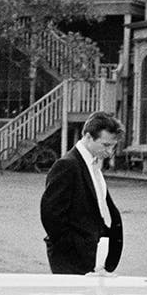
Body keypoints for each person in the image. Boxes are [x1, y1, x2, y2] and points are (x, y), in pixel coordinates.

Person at [40, 111, 125, 274]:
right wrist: (73, 249)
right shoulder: (67, 165)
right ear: (88, 137)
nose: (109, 152)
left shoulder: (92, 164)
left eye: (113, 146)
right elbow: (51, 215)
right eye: (106, 145)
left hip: (93, 253)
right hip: (72, 259)